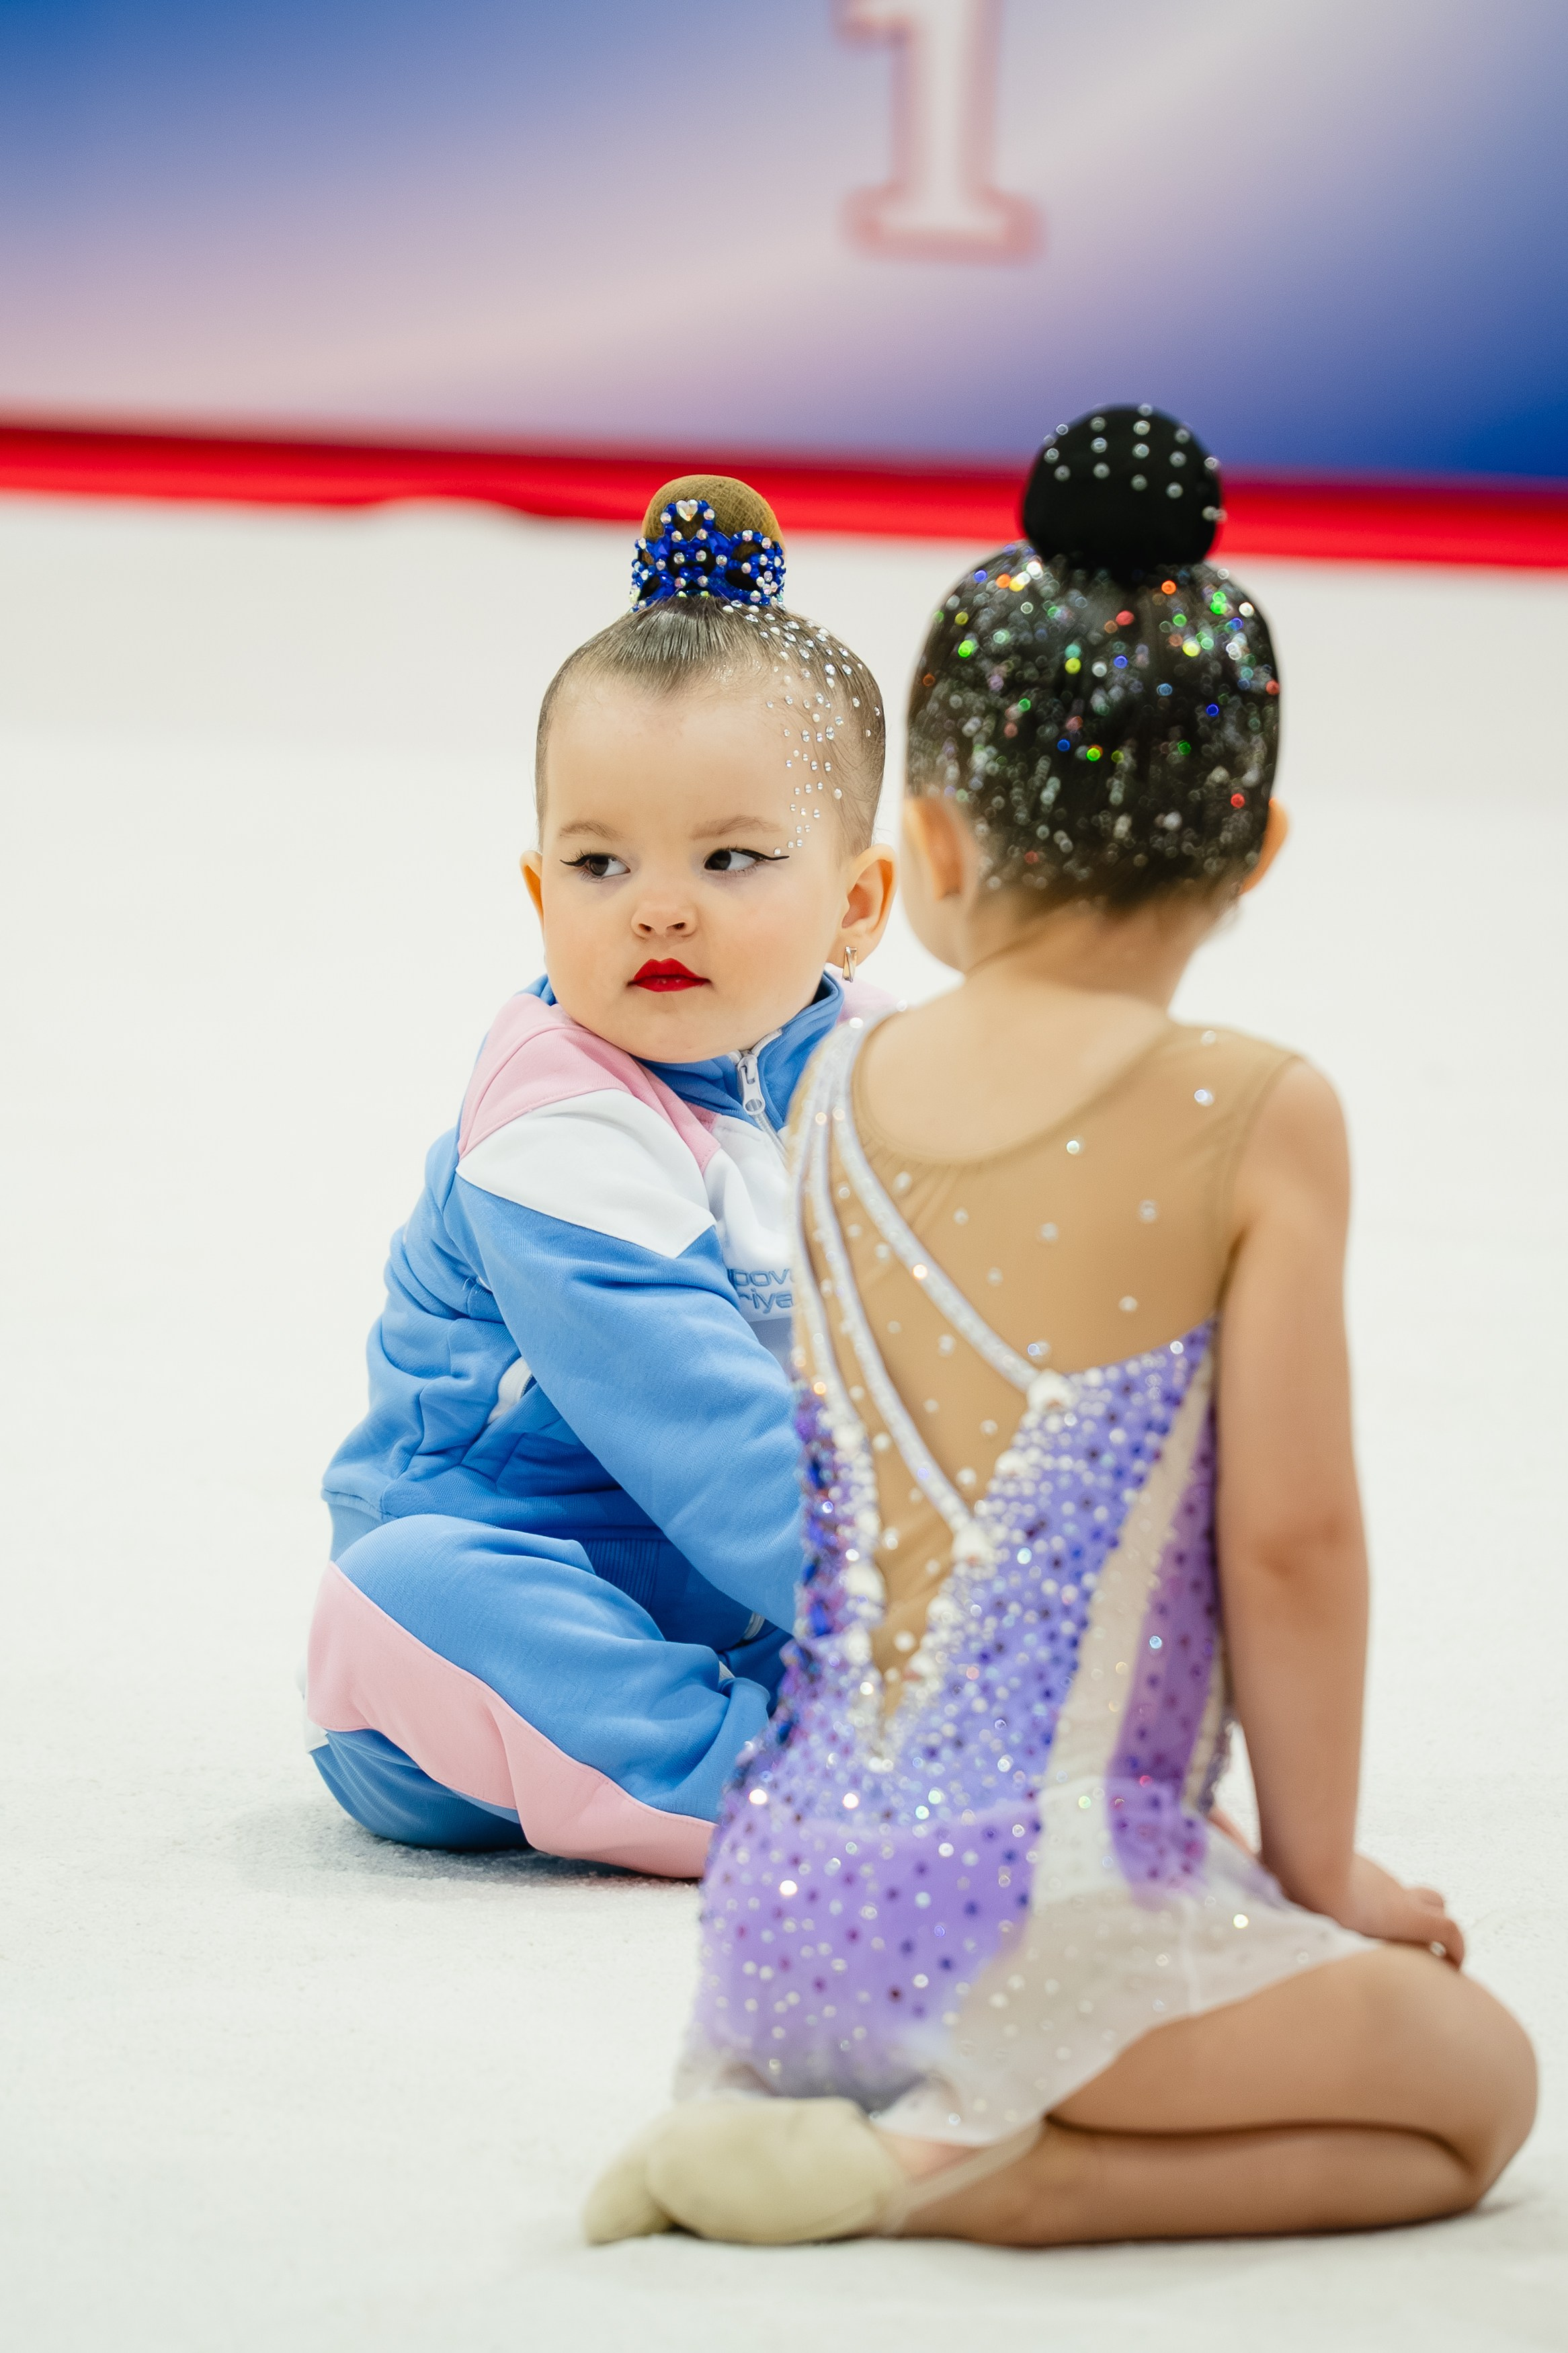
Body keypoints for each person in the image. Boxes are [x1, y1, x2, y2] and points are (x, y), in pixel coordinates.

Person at [585, 409, 1536, 2239]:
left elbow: (894, 1552)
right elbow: (1288, 1535)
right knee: (1474, 2094)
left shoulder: (835, 1088)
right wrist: (1317, 1870)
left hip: (776, 1915)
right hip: (1038, 1926)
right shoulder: (1254, 1108)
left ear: (927, 845)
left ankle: (805, 2123)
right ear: (1252, 843)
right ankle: (942, 2180)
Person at [304, 477, 895, 1873]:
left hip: (755, 1592)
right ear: (539, 893)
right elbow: (710, 1430)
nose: (659, 902)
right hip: (514, 1597)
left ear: (858, 907)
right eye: (598, 859)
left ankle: (827, 1714)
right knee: (398, 1599)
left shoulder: (885, 1082)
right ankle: (795, 1789)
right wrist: (932, 1632)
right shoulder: (554, 1113)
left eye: (732, 856)